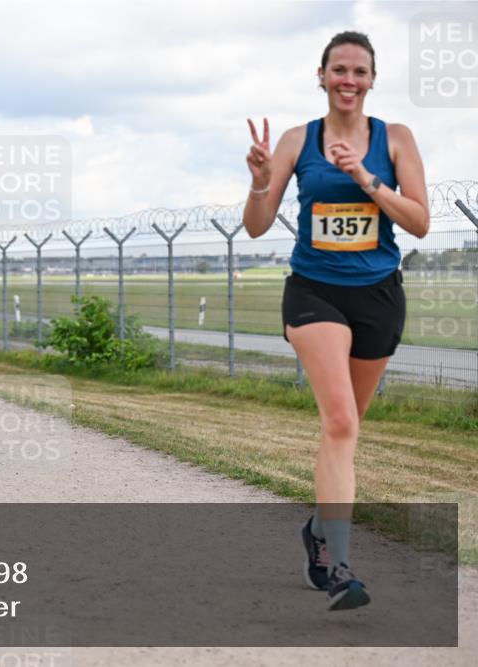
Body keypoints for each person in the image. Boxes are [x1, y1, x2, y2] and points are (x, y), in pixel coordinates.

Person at [242, 31, 428, 611]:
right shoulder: (297, 140)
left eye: (359, 71)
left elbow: (420, 222)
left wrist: (367, 179)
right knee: (341, 421)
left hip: (378, 296)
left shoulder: (395, 139)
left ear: (372, 80)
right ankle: (342, 568)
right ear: (320, 76)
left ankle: (318, 531)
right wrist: (259, 181)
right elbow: (256, 225)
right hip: (314, 293)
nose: (349, 80)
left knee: (345, 429)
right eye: (339, 70)